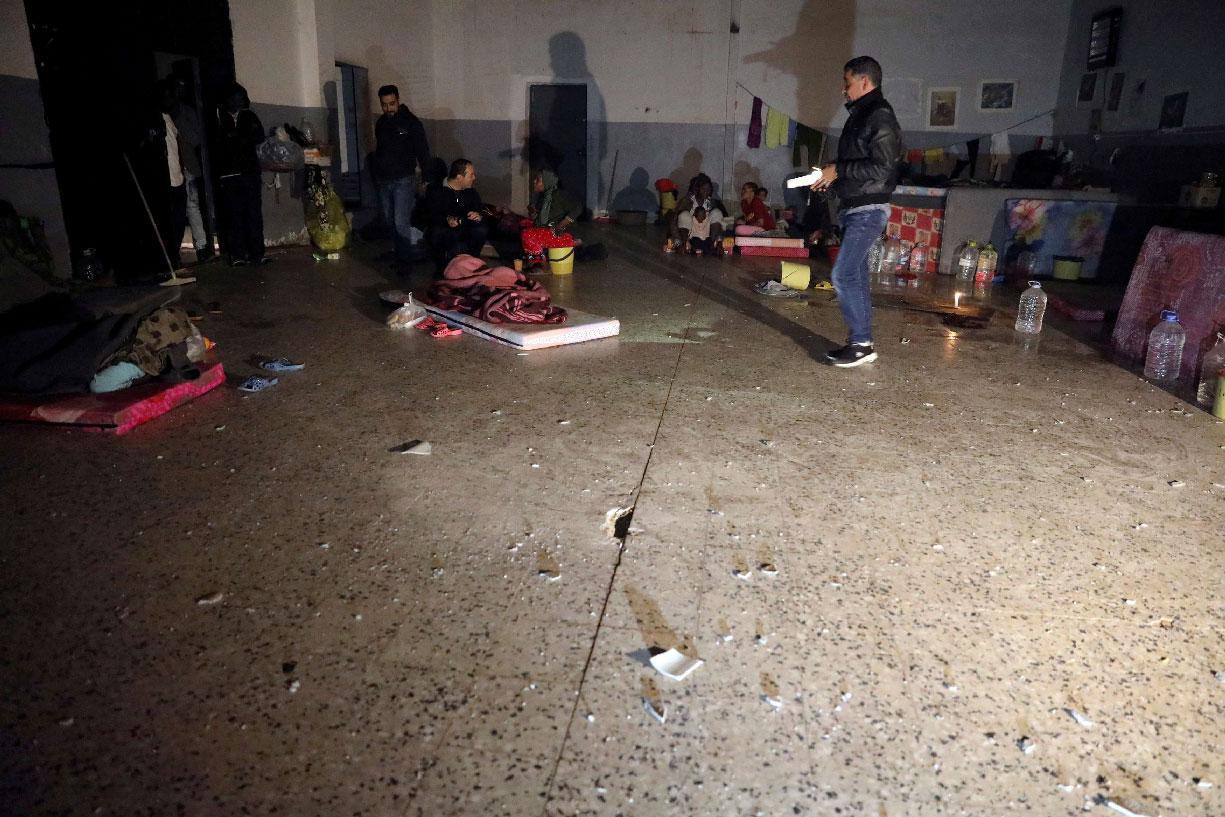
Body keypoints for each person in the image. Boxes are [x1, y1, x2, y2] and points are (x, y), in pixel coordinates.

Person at [812, 55, 901, 367]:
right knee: (857, 275)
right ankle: (861, 341)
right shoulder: (861, 115)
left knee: (843, 273)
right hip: (856, 206)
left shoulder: (879, 115)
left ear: (864, 81)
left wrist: (839, 169)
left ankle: (861, 342)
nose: (842, 89)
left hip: (869, 208)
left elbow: (882, 166)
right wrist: (831, 180)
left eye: (847, 83)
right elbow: (855, 168)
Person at [373, 84, 431, 263]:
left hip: (404, 179)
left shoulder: (411, 123)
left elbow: (422, 150)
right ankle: (399, 254)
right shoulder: (381, 123)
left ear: (398, 100)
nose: (388, 108)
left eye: (391, 104)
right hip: (384, 179)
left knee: (400, 222)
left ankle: (405, 262)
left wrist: (426, 178)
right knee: (390, 220)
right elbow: (380, 150)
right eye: (384, 104)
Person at [215, 83, 268, 266]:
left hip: (249, 173)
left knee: (253, 214)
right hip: (229, 176)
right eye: (236, 97)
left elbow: (259, 136)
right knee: (234, 216)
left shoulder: (249, 116)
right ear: (228, 99)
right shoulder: (219, 117)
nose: (240, 101)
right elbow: (218, 144)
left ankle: (257, 254)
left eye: (241, 97)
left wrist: (238, 139)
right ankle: (238, 254)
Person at [169, 75, 213, 262]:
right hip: (170, 168)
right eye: (177, 88)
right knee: (174, 211)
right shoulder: (164, 114)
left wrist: (179, 119)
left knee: (192, 206)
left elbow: (196, 138)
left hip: (187, 167)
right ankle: (171, 252)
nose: (180, 92)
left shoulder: (186, 113)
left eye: (182, 89)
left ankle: (202, 246)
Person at [424, 159, 488, 270]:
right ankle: (443, 267)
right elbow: (430, 214)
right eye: (471, 175)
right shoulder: (436, 191)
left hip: (465, 227)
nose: (474, 178)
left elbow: (480, 209)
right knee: (439, 234)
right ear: (459, 177)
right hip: (444, 229)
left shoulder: (471, 192)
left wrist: (478, 215)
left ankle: (472, 263)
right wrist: (447, 219)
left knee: (480, 230)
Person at [521, 168, 580, 266]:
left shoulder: (559, 195)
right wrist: (533, 212)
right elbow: (543, 218)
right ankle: (535, 255)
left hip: (559, 233)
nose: (534, 181)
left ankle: (539, 264)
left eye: (538, 180)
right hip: (547, 230)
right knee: (523, 223)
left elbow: (577, 208)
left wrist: (561, 225)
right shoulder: (544, 196)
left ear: (547, 181)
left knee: (527, 234)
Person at [666, 172, 725, 252]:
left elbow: (725, 221)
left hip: (706, 233)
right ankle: (684, 243)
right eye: (703, 189)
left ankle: (714, 242)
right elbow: (674, 220)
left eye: (708, 189)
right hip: (689, 234)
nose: (706, 192)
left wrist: (720, 238)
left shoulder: (711, 202)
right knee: (684, 215)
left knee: (717, 212)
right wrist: (677, 238)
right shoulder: (687, 201)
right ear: (696, 189)